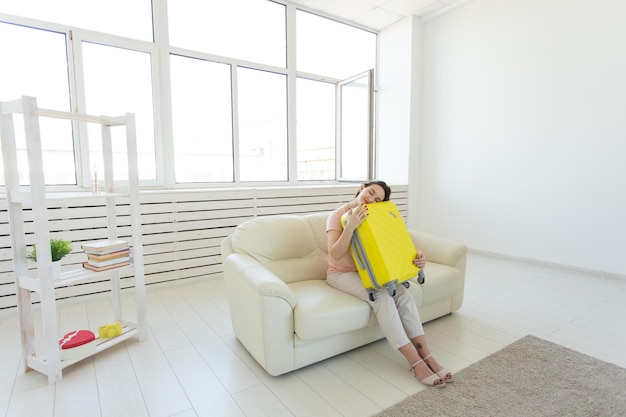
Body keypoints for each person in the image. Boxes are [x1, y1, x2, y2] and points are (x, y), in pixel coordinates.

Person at [326, 180, 452, 388]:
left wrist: (416, 256)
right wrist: (351, 226)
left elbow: (392, 247)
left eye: (378, 199)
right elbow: (335, 254)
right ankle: (415, 362)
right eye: (371, 192)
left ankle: (427, 356)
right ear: (361, 188)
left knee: (403, 295)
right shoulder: (338, 216)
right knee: (382, 296)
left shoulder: (376, 218)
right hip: (341, 274)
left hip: (370, 273)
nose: (372, 199)